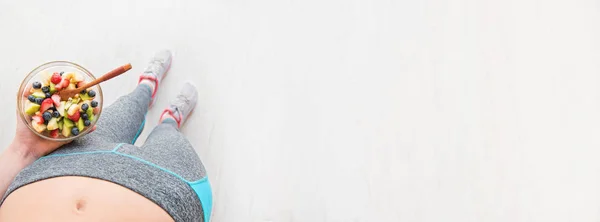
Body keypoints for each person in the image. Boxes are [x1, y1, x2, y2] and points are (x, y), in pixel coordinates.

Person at [0, 50, 213, 222]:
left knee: (127, 107)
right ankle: (170, 120)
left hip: (67, 161)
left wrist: (24, 150)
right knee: (168, 136)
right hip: (171, 190)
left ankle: (145, 88)